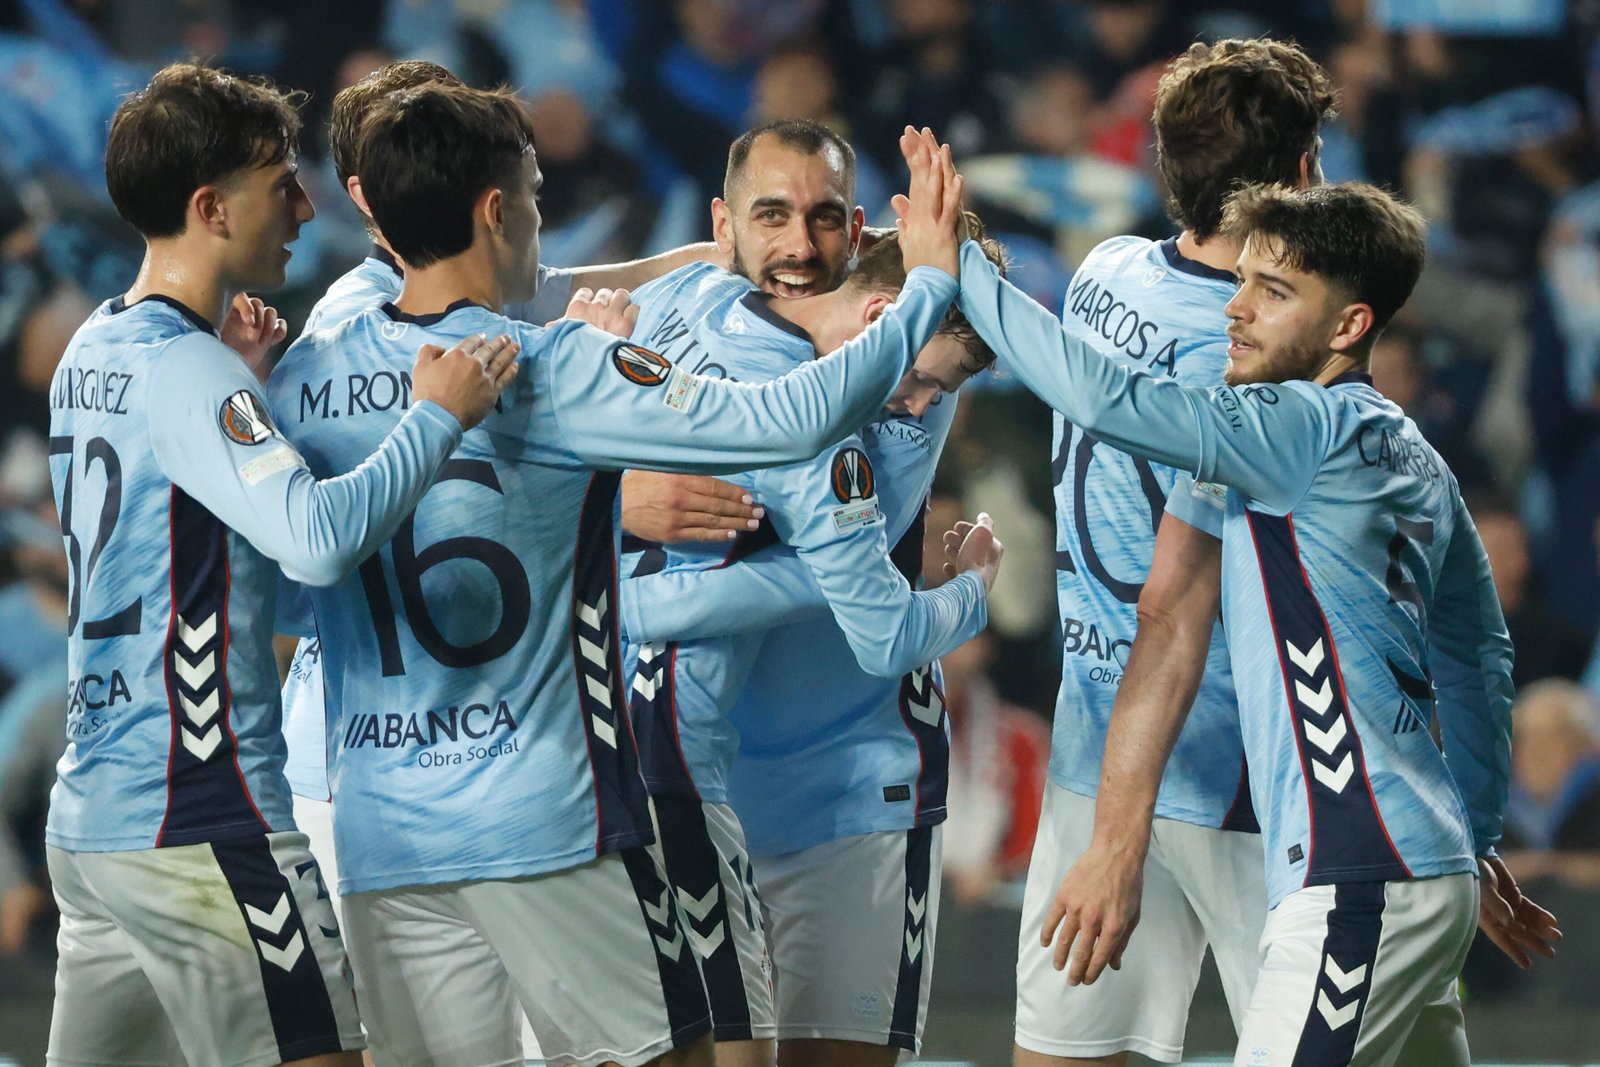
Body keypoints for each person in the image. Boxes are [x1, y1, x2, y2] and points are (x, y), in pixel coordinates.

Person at [266, 82, 967, 1067]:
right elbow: (793, 418)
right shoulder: (557, 365)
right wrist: (928, 287)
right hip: (543, 807)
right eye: (535, 194)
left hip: (376, 816)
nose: (542, 221)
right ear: (496, 208)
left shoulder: (308, 363)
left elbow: (289, 575)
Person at [901, 128, 1561, 1065]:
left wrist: (956, 268)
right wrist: (1478, 837)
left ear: (1348, 327)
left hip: (1355, 880)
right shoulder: (1418, 455)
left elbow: (1109, 400)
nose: (1236, 310)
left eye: (1273, 292)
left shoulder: (1292, 428)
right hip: (1424, 866)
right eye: (1242, 280)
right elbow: (1478, 656)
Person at [43, 63, 517, 1067]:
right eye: (279, 183)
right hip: (200, 815)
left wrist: (242, 393)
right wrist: (435, 419)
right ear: (211, 209)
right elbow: (318, 540)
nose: (305, 206)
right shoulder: (192, 368)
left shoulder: (95, 343)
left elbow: (173, 516)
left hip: (94, 819)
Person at [1011, 38, 1336, 1067]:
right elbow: (1184, 597)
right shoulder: (1267, 356)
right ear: (1300, 175)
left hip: (1096, 749)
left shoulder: (1102, 273)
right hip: (1248, 776)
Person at [619, 223, 1006, 1067]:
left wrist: (619, 598)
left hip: (854, 788)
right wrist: (614, 495)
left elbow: (870, 613)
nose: (921, 403)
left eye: (939, 388)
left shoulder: (876, 424)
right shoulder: (700, 307)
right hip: (700, 774)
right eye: (924, 379)